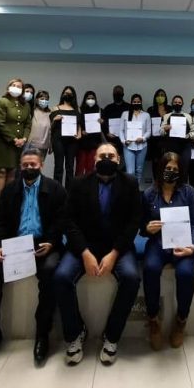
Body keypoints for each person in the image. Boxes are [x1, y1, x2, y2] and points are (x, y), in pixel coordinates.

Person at [0, 149, 67, 370]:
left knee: (50, 272)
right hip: (14, 246)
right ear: (20, 166)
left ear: (41, 165)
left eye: (33, 164)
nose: (29, 168)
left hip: (44, 245)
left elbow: (61, 220)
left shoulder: (55, 189)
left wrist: (51, 242)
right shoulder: (10, 189)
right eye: (25, 165)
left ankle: (42, 333)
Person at [53, 143, 141, 366]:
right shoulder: (78, 183)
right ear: (94, 160)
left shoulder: (130, 183)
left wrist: (114, 253)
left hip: (118, 247)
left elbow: (133, 222)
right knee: (61, 277)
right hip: (84, 246)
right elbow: (69, 221)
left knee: (131, 277)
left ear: (119, 159)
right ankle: (75, 333)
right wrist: (84, 252)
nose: (107, 159)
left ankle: (112, 336)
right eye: (102, 155)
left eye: (111, 155)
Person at [141, 152, 194, 350]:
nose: (171, 172)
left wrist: (192, 244)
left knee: (185, 273)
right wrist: (147, 228)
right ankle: (153, 319)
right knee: (150, 268)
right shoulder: (149, 194)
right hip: (158, 243)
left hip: (184, 244)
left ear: (180, 171)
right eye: (167, 168)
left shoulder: (188, 191)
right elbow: (141, 226)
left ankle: (181, 320)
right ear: (160, 169)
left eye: (175, 169)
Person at [0, 78, 32, 190]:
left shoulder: (26, 105)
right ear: (8, 88)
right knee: (1, 171)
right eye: (13, 85)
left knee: (13, 172)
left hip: (18, 144)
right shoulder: (2, 101)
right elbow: (0, 123)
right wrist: (14, 139)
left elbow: (28, 124)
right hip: (2, 142)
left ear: (22, 90)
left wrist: (24, 139)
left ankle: (8, 199)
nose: (16, 88)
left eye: (19, 86)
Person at [50, 86, 81, 189]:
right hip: (58, 140)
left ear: (73, 96)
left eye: (70, 94)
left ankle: (69, 191)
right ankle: (57, 190)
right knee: (58, 166)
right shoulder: (56, 108)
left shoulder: (77, 109)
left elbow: (79, 124)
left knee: (70, 167)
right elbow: (50, 127)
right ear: (62, 94)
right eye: (66, 93)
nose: (67, 95)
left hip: (72, 141)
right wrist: (54, 119)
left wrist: (79, 133)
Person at [160, 95, 194, 181]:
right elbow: (160, 132)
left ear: (182, 104)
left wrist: (187, 136)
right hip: (170, 146)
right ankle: (170, 186)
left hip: (185, 146)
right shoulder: (166, 116)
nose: (177, 104)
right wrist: (165, 129)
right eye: (175, 102)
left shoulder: (188, 116)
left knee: (184, 168)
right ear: (172, 103)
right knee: (170, 168)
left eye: (179, 102)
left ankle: (183, 187)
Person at [119, 93, 151, 186]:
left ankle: (136, 190)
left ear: (141, 102)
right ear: (131, 102)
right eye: (134, 101)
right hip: (128, 146)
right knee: (130, 172)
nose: (136, 103)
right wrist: (124, 141)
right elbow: (121, 130)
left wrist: (143, 138)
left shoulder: (146, 115)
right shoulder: (125, 114)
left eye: (138, 101)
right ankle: (130, 190)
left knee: (139, 170)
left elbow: (149, 131)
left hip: (142, 146)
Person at [102, 85, 131, 169]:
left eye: (119, 93)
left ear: (123, 94)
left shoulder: (129, 107)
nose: (117, 94)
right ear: (113, 94)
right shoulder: (108, 108)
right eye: (115, 93)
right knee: (112, 165)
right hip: (112, 141)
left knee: (126, 166)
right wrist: (107, 133)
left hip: (126, 141)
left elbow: (134, 122)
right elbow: (103, 124)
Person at [76, 90, 104, 176]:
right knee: (80, 166)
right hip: (82, 142)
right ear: (85, 99)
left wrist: (102, 122)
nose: (90, 100)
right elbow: (76, 124)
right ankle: (79, 183)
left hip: (94, 142)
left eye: (92, 98)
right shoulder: (80, 110)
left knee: (91, 166)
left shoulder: (99, 110)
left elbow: (105, 128)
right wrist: (81, 131)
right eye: (88, 98)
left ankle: (89, 183)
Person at [146, 88, 171, 176]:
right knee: (156, 165)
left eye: (162, 95)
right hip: (154, 141)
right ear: (155, 97)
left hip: (167, 141)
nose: (160, 97)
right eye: (158, 95)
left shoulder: (170, 109)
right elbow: (147, 124)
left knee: (167, 164)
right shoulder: (150, 110)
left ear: (165, 97)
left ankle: (165, 183)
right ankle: (156, 183)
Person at [28, 90, 52, 161]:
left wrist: (51, 145)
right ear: (36, 99)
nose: (44, 101)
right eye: (42, 99)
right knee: (29, 165)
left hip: (44, 146)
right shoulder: (32, 111)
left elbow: (51, 131)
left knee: (39, 165)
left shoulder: (50, 114)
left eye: (46, 99)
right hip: (31, 145)